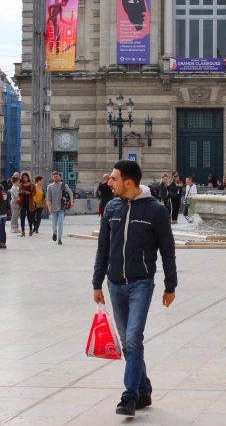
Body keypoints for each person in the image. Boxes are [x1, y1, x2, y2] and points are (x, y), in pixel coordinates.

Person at [92, 160, 177, 417]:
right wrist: (97, 282)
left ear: (128, 182)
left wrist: (170, 286)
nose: (109, 183)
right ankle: (144, 389)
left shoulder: (155, 211)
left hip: (141, 283)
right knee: (129, 344)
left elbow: (167, 250)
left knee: (132, 339)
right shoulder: (112, 207)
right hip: (115, 283)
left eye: (114, 179)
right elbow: (103, 249)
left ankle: (129, 395)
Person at [45, 171, 73, 245]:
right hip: (53, 208)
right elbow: (48, 198)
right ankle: (54, 233)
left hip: (61, 207)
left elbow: (70, 192)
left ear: (59, 177)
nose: (56, 178)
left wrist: (72, 201)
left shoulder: (63, 185)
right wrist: (49, 206)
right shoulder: (50, 186)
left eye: (57, 176)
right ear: (52, 177)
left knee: (60, 223)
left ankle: (59, 239)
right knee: (54, 224)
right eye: (54, 176)